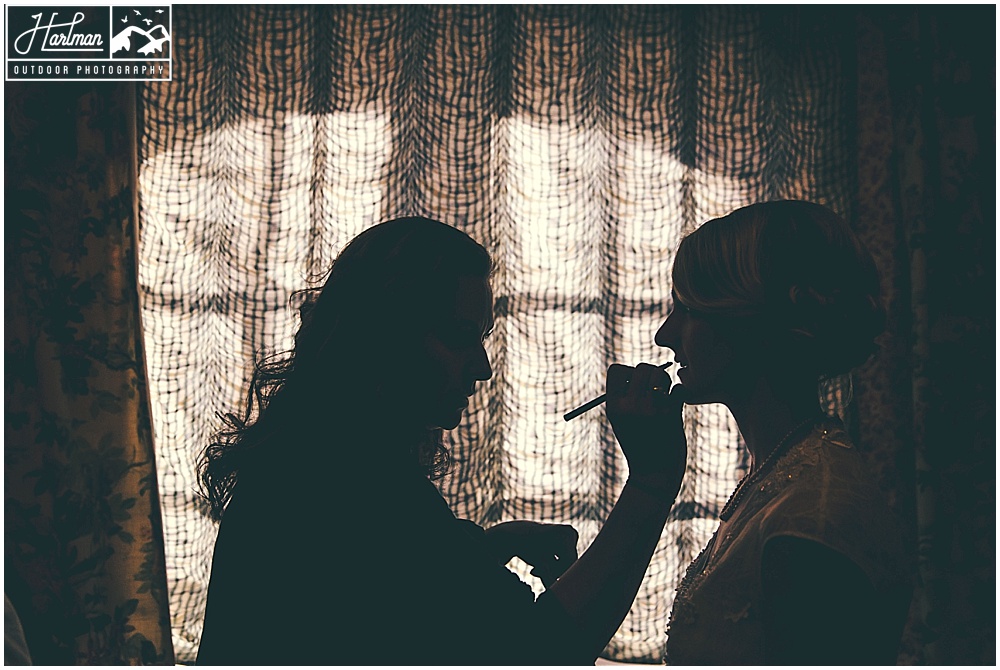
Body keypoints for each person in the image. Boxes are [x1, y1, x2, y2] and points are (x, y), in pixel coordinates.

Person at [195, 216, 687, 665]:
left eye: (482, 336)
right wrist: (651, 482)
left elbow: (387, 602)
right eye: (457, 337)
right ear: (383, 337)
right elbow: (537, 649)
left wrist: (481, 552)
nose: (482, 366)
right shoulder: (349, 477)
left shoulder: (314, 452)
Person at [621, 200, 911, 664]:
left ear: (750, 324)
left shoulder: (810, 520)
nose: (664, 334)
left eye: (687, 309)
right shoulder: (786, 472)